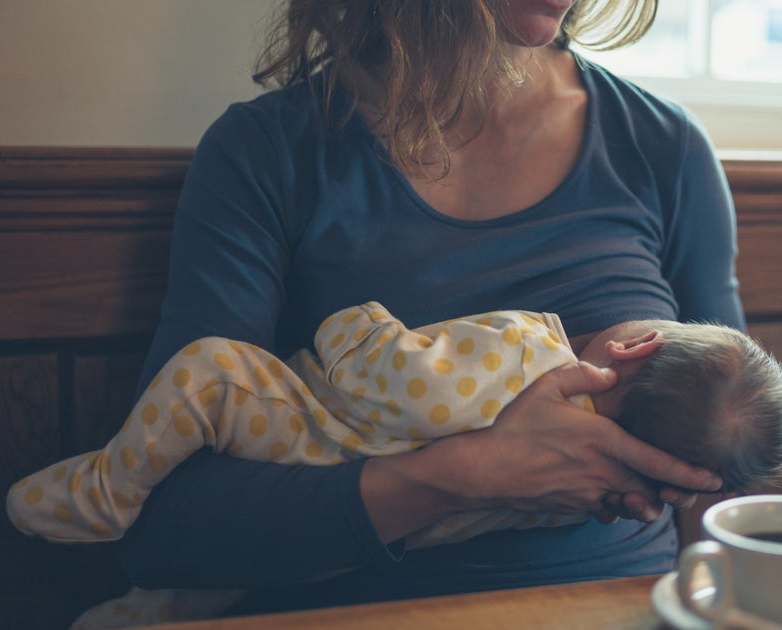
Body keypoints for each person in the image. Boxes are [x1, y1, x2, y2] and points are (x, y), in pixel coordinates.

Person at [111, 0, 747, 618]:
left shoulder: (665, 148)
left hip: (620, 607)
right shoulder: (267, 152)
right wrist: (468, 475)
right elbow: (165, 532)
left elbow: (728, 450)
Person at [9, 301, 782, 627]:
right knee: (210, 588)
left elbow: (379, 372)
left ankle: (105, 489)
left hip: (298, 434)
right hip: (347, 551)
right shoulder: (585, 492)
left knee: (207, 373)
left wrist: (357, 321)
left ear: (631, 347)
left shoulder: (530, 347)